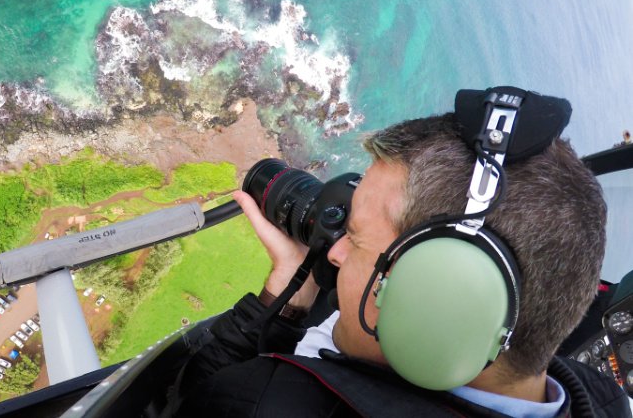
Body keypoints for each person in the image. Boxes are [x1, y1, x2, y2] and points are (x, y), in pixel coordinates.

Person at [172, 111, 631, 417]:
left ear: (435, 300)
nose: (332, 253)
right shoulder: (603, 398)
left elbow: (183, 399)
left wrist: (281, 303)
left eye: (354, 238)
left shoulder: (263, 403)